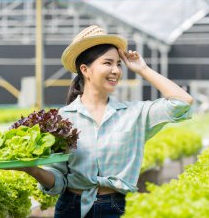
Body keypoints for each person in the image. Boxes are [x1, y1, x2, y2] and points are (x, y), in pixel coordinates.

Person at [22, 25, 194, 218]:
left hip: (116, 208)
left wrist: (143, 69)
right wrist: (32, 169)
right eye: (108, 63)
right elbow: (57, 181)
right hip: (70, 209)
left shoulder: (134, 114)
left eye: (118, 64)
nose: (116, 70)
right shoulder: (63, 118)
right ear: (85, 70)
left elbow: (183, 102)